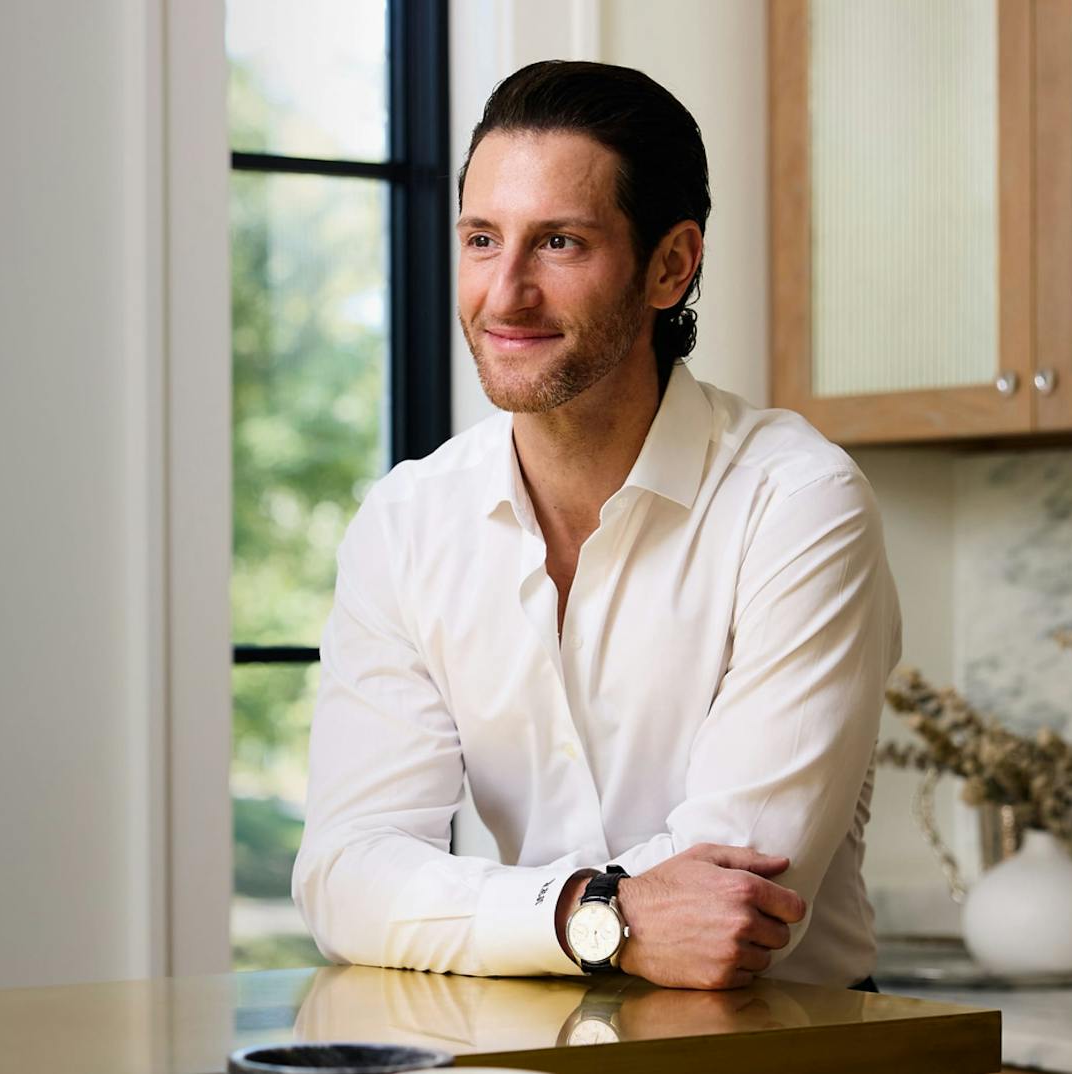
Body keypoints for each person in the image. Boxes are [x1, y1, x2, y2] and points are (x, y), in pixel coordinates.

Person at [291, 60, 901, 991]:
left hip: (783, 1054)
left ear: (671, 264)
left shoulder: (798, 504)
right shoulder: (408, 523)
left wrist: (483, 913)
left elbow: (735, 903)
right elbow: (344, 876)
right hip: (539, 1044)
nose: (504, 294)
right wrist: (589, 916)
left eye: (561, 244)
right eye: (484, 238)